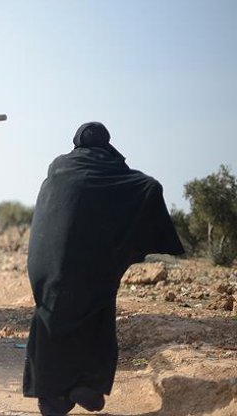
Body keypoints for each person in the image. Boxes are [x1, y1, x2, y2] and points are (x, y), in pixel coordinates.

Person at [23, 122, 184, 415]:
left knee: (50, 318)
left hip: (48, 263)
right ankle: (88, 386)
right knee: (94, 316)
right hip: (91, 269)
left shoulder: (59, 167)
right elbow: (149, 186)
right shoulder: (113, 169)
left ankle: (53, 397)